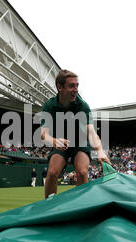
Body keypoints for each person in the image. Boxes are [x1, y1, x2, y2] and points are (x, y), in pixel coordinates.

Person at [40, 69, 110, 198]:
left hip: (81, 143)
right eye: (72, 85)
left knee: (83, 172)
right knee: (52, 173)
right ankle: (48, 206)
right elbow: (44, 134)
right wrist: (54, 141)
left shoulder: (83, 106)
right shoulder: (49, 106)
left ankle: (82, 204)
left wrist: (100, 150)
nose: (76, 89)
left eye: (77, 85)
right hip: (61, 144)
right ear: (59, 87)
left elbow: (91, 131)